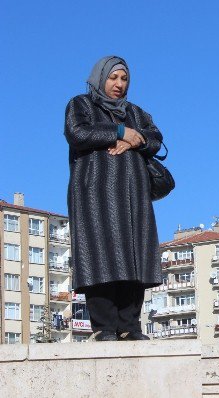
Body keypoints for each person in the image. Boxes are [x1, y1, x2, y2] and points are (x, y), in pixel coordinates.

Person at [65, 56, 164, 341]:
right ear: (100, 78)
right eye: (113, 78)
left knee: (135, 257)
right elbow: (77, 132)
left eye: (124, 79)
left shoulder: (136, 111)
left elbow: (156, 137)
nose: (119, 84)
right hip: (94, 194)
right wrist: (120, 132)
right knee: (101, 256)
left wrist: (138, 138)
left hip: (134, 195)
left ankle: (129, 326)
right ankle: (105, 327)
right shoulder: (80, 105)